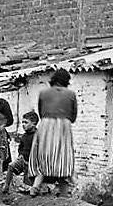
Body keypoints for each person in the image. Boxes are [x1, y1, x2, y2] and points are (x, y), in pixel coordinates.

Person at [29, 68, 78, 196]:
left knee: (43, 157)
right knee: (63, 159)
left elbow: (41, 113)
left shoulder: (43, 93)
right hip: (63, 126)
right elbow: (73, 117)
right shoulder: (71, 94)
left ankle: (35, 186)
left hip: (45, 125)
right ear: (66, 81)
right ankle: (64, 192)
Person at [3, 110, 39, 194]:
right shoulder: (24, 136)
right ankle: (6, 186)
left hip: (33, 162)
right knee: (11, 166)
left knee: (28, 182)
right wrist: (20, 155)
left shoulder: (37, 136)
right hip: (23, 158)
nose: (23, 125)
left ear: (34, 123)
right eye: (22, 122)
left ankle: (32, 189)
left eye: (26, 122)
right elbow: (21, 147)